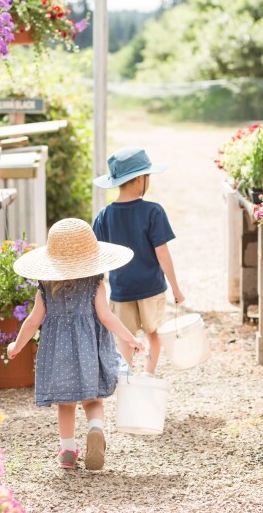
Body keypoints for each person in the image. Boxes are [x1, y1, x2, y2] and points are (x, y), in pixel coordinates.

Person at [8, 218, 145, 471]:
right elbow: (106, 316)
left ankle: (68, 451)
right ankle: (95, 430)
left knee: (65, 404)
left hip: (58, 354)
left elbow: (33, 320)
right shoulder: (95, 283)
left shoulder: (45, 288)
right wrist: (131, 338)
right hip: (89, 351)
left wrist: (16, 345)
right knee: (93, 400)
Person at [92, 147, 185, 376]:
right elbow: (162, 254)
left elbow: (97, 258)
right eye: (148, 176)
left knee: (126, 338)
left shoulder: (104, 216)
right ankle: (149, 375)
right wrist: (176, 288)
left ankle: (128, 379)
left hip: (121, 289)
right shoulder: (153, 211)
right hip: (151, 288)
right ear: (139, 180)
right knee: (153, 334)